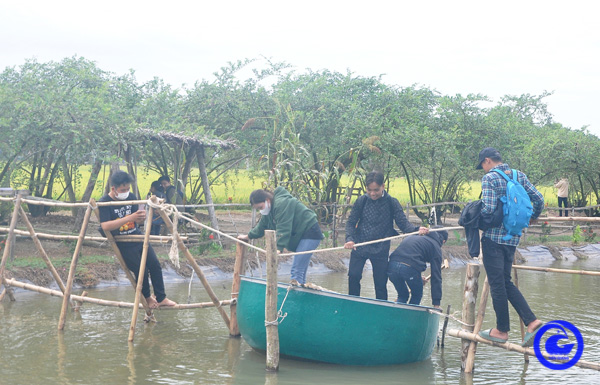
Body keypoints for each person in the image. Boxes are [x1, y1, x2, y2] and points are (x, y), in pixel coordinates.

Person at [475, 147, 543, 346]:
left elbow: (487, 209)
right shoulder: (518, 175)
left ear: (487, 161)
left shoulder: (490, 179)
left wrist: (474, 218)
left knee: (497, 284)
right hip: (513, 238)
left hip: (493, 239)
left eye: (482, 165)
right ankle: (531, 321)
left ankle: (501, 330)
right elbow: (539, 199)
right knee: (505, 281)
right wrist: (532, 218)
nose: (483, 169)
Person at [344, 171, 429, 301]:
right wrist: (350, 239)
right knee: (354, 276)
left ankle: (381, 309)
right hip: (360, 245)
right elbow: (350, 223)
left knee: (380, 283)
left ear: (383, 186)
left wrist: (416, 230)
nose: (372, 193)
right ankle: (353, 304)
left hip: (380, 248)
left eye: (376, 190)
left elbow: (402, 223)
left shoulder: (391, 202)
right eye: (369, 190)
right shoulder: (361, 201)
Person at [99, 171, 177, 308]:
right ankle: (147, 298)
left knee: (155, 265)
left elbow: (137, 220)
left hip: (137, 236)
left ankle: (161, 297)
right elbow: (105, 225)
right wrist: (130, 217)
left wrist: (142, 217)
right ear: (114, 189)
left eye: (128, 189)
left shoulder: (132, 197)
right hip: (122, 243)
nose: (126, 192)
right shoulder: (105, 202)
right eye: (123, 190)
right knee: (141, 269)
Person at [237, 187, 323, 285]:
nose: (260, 210)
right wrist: (248, 236)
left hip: (310, 231)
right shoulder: (269, 210)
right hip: (299, 234)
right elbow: (261, 226)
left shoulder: (281, 204)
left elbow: (284, 226)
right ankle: (301, 293)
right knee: (300, 269)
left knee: (297, 269)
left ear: (267, 200)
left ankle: (295, 297)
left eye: (260, 207)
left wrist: (278, 247)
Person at [387, 227, 448, 308]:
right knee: (416, 295)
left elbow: (411, 256)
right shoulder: (435, 247)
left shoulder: (415, 236)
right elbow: (436, 277)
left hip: (391, 266)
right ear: (443, 241)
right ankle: (410, 318)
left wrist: (418, 278)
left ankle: (396, 316)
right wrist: (436, 304)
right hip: (409, 268)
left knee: (403, 295)